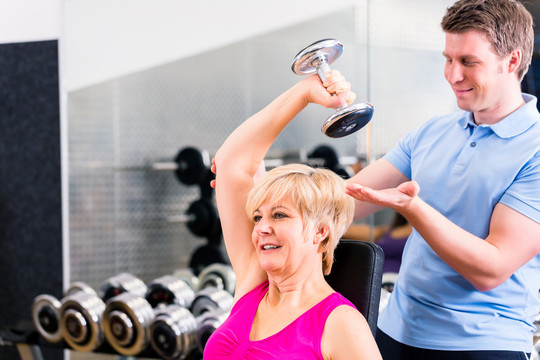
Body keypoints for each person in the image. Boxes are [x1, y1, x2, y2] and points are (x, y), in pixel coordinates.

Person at [344, 0, 540, 359]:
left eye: (468, 62)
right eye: (448, 59)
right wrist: (255, 182)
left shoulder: (536, 149)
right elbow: (346, 201)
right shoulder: (433, 132)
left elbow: (491, 269)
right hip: (395, 332)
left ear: (511, 62)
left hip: (482, 343)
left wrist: (414, 209)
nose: (453, 75)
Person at [204, 72, 382, 358]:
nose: (261, 228)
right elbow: (231, 162)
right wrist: (304, 92)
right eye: (258, 217)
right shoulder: (254, 281)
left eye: (279, 216)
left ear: (320, 231)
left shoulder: (341, 324)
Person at [343, 211, 411, 275]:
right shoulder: (388, 231)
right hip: (377, 281)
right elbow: (347, 231)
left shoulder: (418, 236)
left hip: (399, 283)